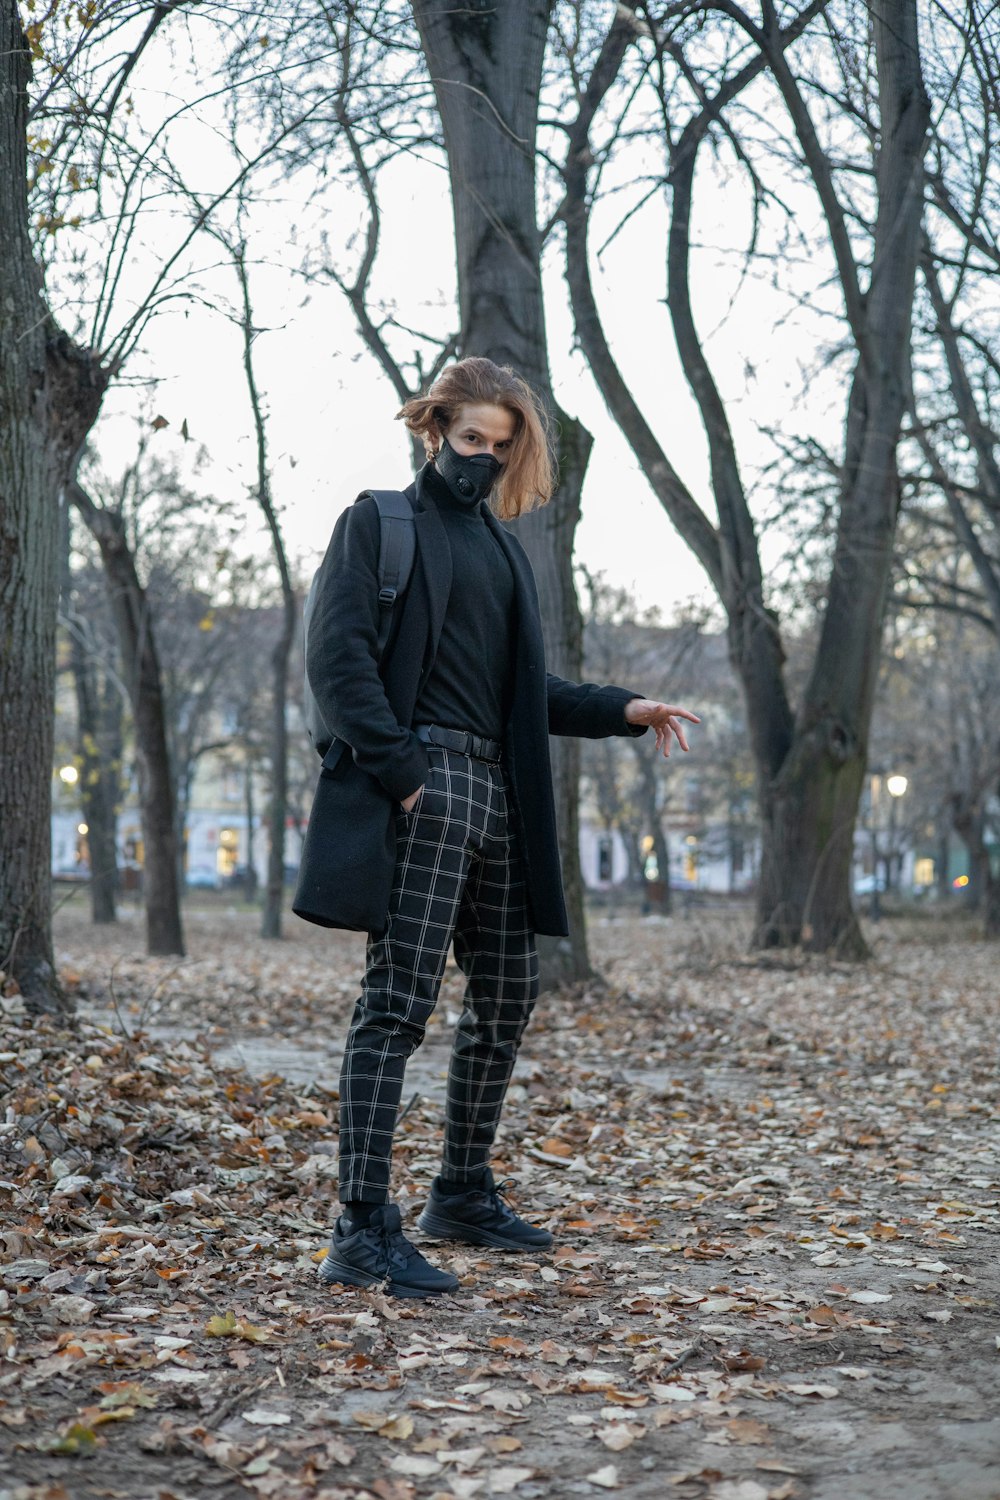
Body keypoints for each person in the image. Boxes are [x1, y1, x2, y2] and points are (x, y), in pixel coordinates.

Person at [300, 357, 699, 1298]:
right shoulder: (379, 524)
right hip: (426, 786)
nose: (483, 458)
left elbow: (526, 696)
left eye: (502, 445)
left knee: (510, 996)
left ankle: (461, 1193)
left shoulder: (502, 550)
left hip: (500, 795)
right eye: (471, 438)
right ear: (434, 427)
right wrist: (402, 777)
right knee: (396, 1006)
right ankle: (361, 1228)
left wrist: (624, 709)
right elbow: (338, 659)